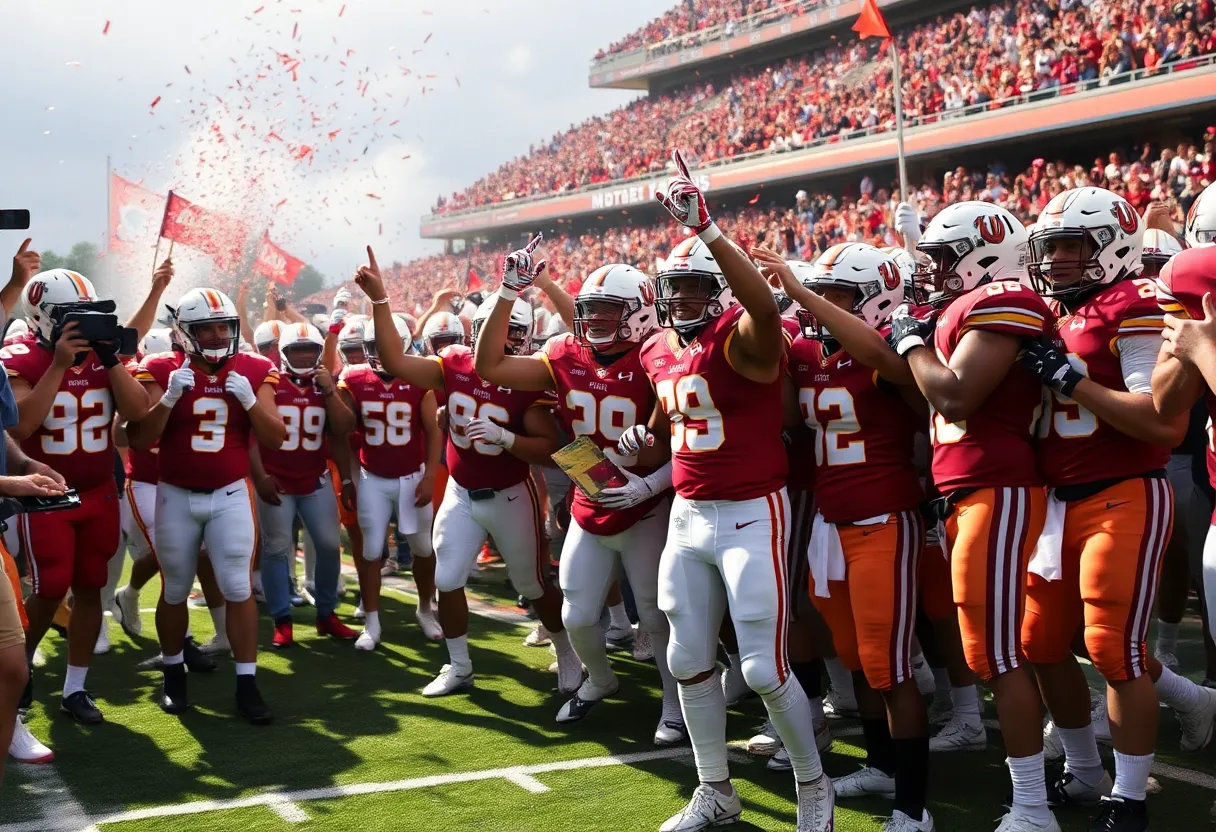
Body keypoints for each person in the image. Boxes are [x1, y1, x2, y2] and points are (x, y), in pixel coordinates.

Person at [615, 150, 833, 832]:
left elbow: (765, 306)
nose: (677, 299)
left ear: (718, 290)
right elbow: (671, 417)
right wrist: (640, 440)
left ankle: (813, 788)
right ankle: (716, 789)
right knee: (684, 657)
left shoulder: (743, 338)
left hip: (749, 511)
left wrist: (710, 231)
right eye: (670, 287)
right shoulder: (665, 350)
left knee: (765, 669)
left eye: (691, 287)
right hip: (687, 513)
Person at [1020, 187, 1189, 831]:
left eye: (1073, 246)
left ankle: (1131, 792)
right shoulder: (1054, 312)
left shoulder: (1133, 306)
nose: (1058, 259)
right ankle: (1087, 770)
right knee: (1038, 642)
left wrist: (1072, 381)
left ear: (1114, 247)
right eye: (1052, 246)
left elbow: (1157, 420)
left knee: (1113, 648)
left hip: (1123, 491)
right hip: (1056, 502)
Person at [887, 201, 1056, 832]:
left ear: (985, 256)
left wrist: (907, 339)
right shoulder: (967, 303)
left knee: (997, 653)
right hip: (969, 488)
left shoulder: (1006, 298)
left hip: (999, 484)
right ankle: (1055, 778)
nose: (929, 270)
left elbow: (956, 392)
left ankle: (1034, 807)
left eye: (941, 257)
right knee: (992, 650)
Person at [351, 244, 582, 699]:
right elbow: (396, 363)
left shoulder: (530, 378)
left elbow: (550, 448)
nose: (503, 343)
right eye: (498, 333)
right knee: (446, 578)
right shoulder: (454, 364)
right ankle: (459, 665)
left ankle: (568, 653)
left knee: (533, 582)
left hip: (511, 492)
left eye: (514, 335)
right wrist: (381, 302)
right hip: (459, 491)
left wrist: (507, 439)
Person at [473, 260, 684, 742]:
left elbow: (681, 437)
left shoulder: (658, 354)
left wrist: (649, 476)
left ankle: (673, 703)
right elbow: (490, 366)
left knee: (653, 614)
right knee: (575, 612)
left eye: (609, 312)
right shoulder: (566, 351)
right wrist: (509, 291)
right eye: (590, 311)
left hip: (648, 497)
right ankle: (601, 679)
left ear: (639, 313)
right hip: (593, 488)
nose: (594, 321)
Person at [765, 242, 933, 832]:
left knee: (889, 666)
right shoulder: (811, 351)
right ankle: (883, 765)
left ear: (877, 298)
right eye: (824, 291)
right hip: (830, 525)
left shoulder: (894, 347)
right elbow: (786, 415)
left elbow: (889, 364)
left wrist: (804, 294)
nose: (823, 306)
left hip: (884, 518)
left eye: (840, 294)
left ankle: (914, 808)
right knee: (860, 661)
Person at [128, 287, 286, 724]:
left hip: (231, 494)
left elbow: (276, 438)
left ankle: (247, 683)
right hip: (175, 493)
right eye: (206, 328)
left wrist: (251, 402)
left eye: (224, 327)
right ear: (184, 332)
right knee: (175, 588)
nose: (218, 336)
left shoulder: (253, 368)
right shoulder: (160, 368)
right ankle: (173, 673)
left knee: (237, 588)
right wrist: (169, 399)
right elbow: (140, 440)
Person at [4, 269, 151, 725]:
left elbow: (138, 413)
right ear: (43, 317)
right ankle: (20, 675)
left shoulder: (105, 357)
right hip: (45, 495)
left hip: (98, 492)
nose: (84, 325)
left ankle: (75, 687)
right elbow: (21, 427)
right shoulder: (21, 357)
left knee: (91, 588)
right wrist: (59, 365)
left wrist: (110, 361)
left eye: (90, 315)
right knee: (49, 587)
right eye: (73, 317)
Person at [336, 315, 442, 650]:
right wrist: (351, 478)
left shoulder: (419, 376)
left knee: (423, 548)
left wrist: (429, 475)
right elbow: (343, 431)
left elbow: (432, 429)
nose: (382, 353)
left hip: (412, 475)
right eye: (376, 347)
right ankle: (372, 622)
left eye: (389, 346)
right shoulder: (352, 378)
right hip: (372, 477)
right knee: (370, 551)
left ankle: (425, 608)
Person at [253, 323, 358, 648]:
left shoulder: (324, 384)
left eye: (309, 351)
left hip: (315, 479)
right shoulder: (270, 383)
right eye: (296, 351)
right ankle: (281, 619)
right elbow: (252, 435)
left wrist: (328, 390)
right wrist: (260, 477)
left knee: (328, 545)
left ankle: (326, 613)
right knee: (275, 549)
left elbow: (343, 429)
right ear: (283, 354)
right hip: (278, 481)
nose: (303, 357)